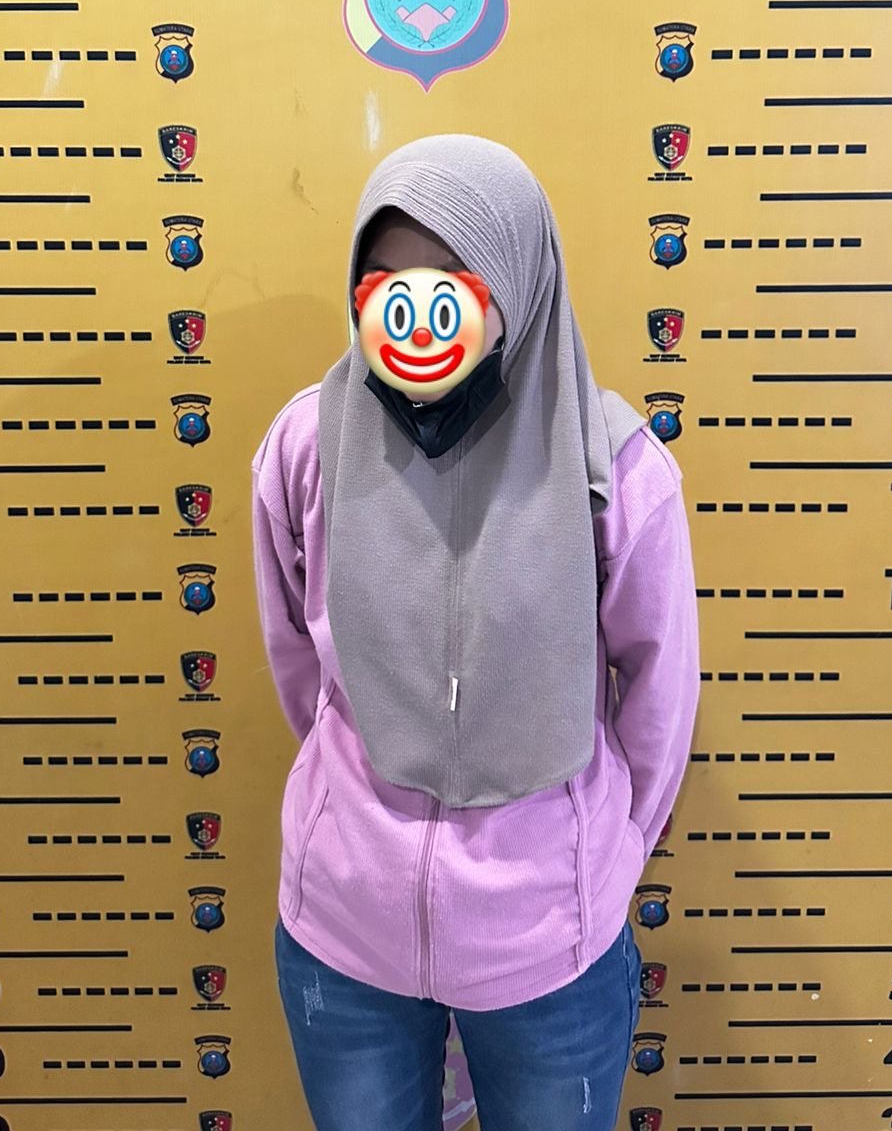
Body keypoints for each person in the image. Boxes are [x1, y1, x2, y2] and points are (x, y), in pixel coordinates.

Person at [252, 133, 700, 1131]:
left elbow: (660, 701)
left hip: (550, 945)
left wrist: (599, 855)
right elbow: (300, 663)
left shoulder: (615, 471)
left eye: (455, 276)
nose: (418, 312)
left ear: (519, 284)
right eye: (387, 278)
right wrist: (357, 810)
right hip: (345, 938)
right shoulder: (306, 445)